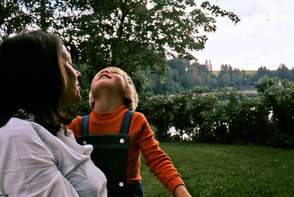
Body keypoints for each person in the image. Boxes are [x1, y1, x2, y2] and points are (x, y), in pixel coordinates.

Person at [0, 30, 107, 197]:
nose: (77, 73)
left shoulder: (54, 131)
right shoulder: (18, 138)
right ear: (44, 72)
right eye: (69, 63)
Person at [67, 67, 191, 197]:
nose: (105, 71)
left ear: (127, 93)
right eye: (99, 73)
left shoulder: (136, 121)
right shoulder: (76, 125)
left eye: (114, 73)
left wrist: (181, 192)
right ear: (92, 98)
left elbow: (157, 160)